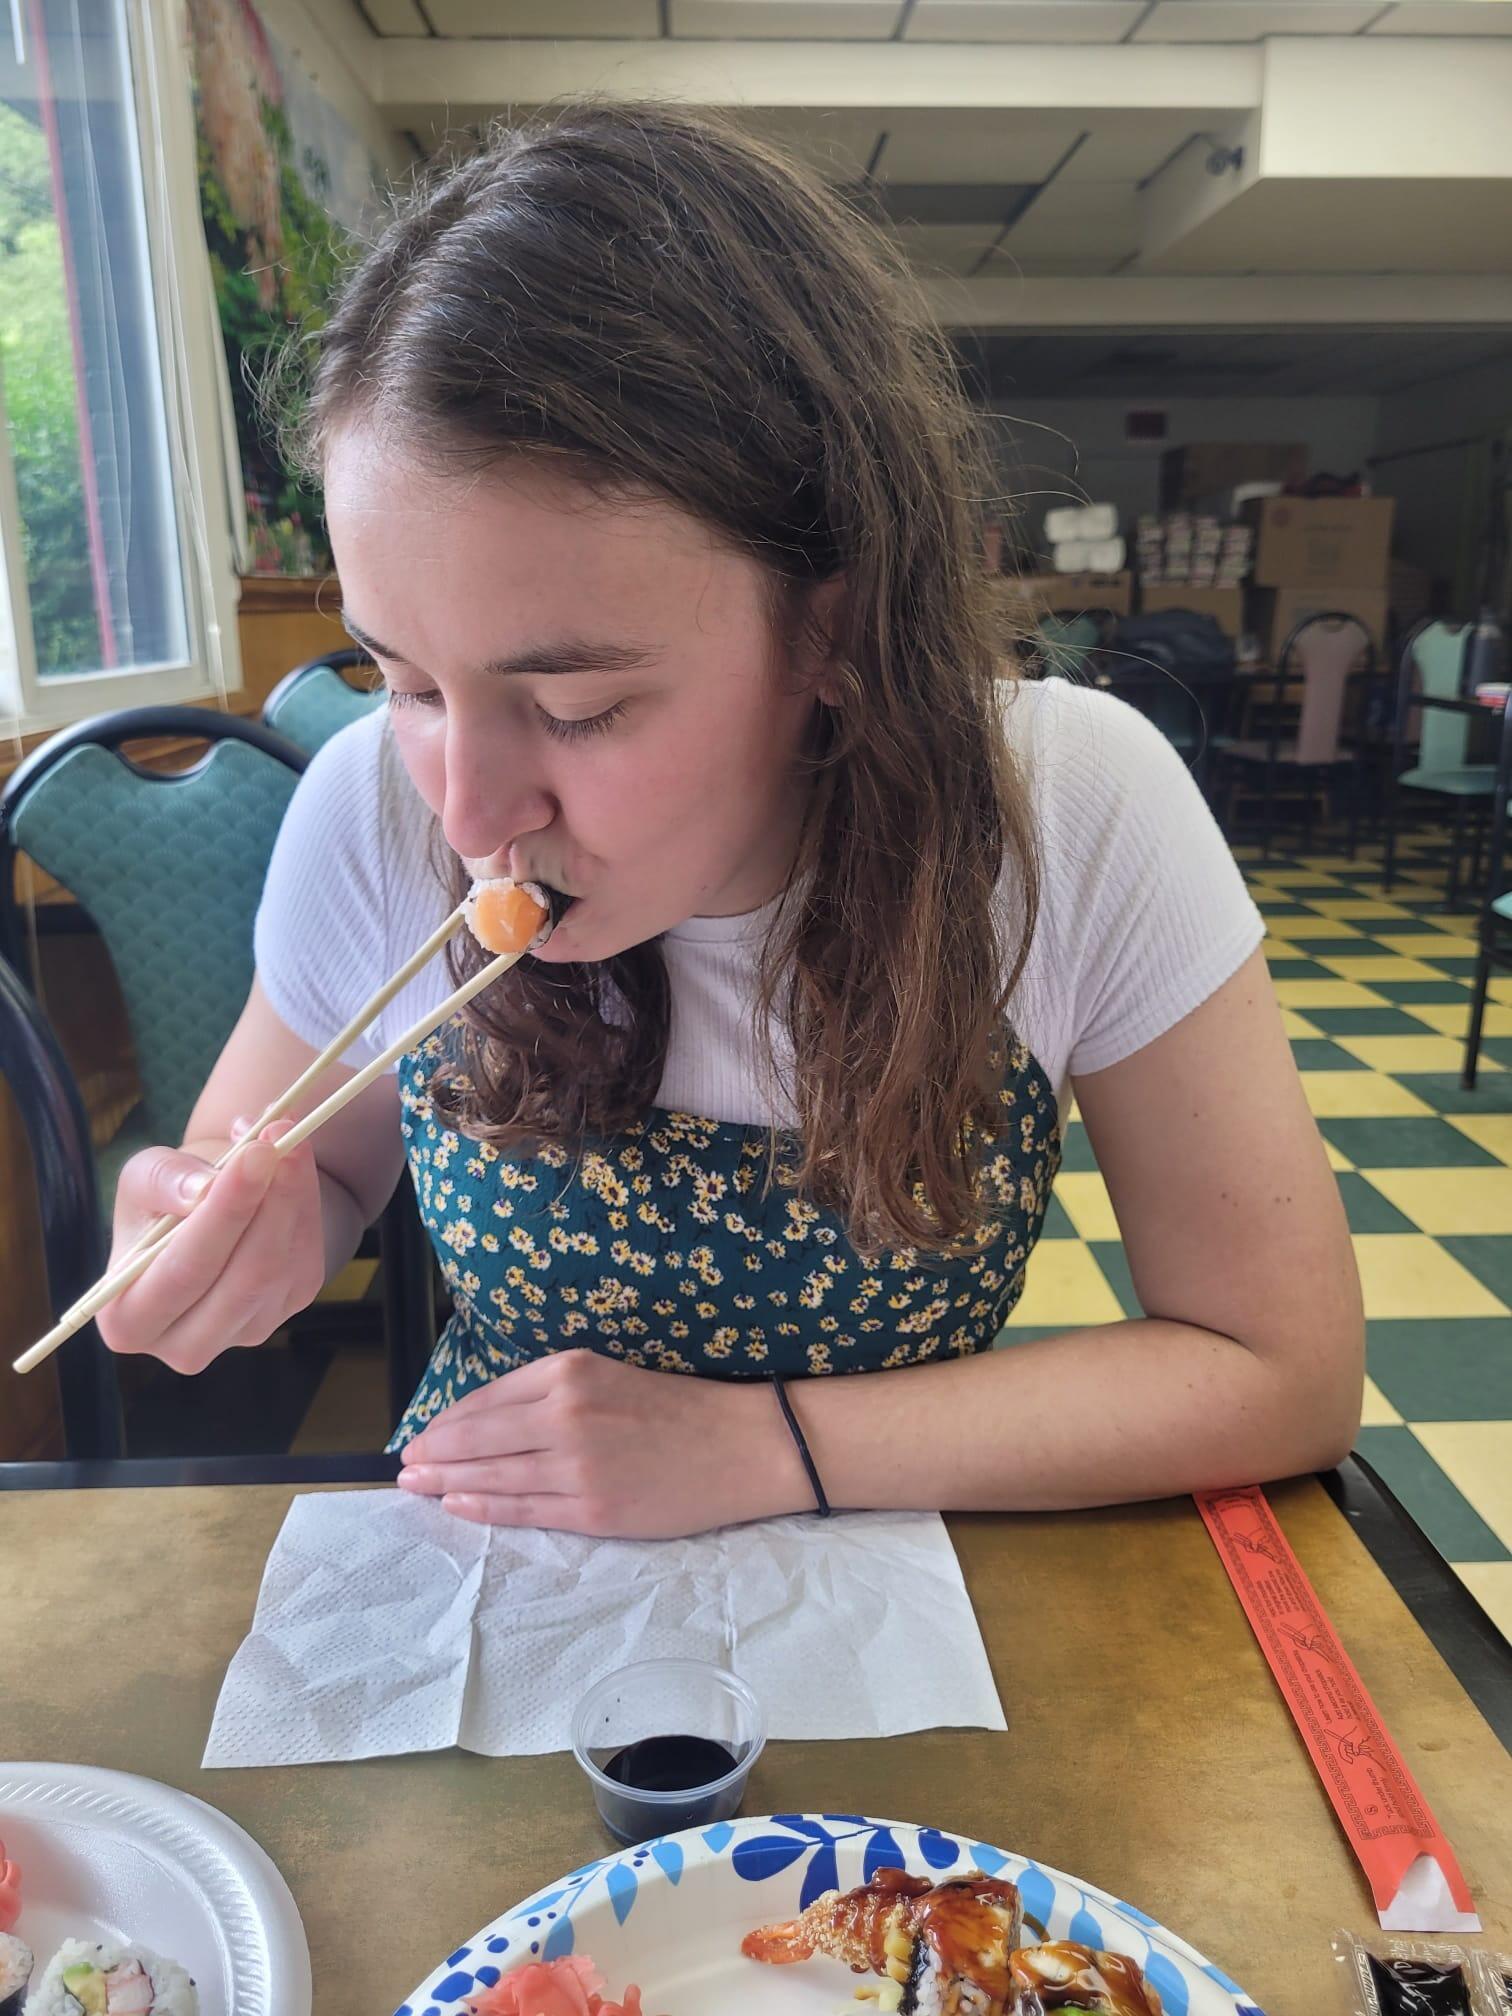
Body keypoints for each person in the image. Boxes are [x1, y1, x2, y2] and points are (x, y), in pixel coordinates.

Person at [98, 104, 1363, 1536]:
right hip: (496, 1550)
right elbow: (310, 1162)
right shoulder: (372, 807)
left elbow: (1283, 1368)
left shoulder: (1067, 807)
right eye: (405, 682)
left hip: (908, 1556)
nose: (468, 810)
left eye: (576, 706)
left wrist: (768, 1449)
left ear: (830, 627)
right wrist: (228, 1235)